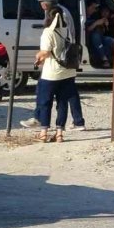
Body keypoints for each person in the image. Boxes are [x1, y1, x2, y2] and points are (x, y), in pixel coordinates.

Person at [20, 0, 85, 130]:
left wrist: (63, 53)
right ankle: (70, 125)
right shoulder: (60, 12)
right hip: (66, 61)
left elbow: (65, 38)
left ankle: (41, 121)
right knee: (67, 95)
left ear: (45, 4)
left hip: (61, 61)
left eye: (42, 4)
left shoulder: (58, 15)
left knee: (46, 95)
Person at [30, 8, 78, 143]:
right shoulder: (66, 30)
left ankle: (44, 133)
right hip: (68, 72)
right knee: (62, 103)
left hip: (52, 73)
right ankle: (59, 134)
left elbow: (45, 52)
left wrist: (38, 57)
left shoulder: (48, 32)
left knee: (45, 102)